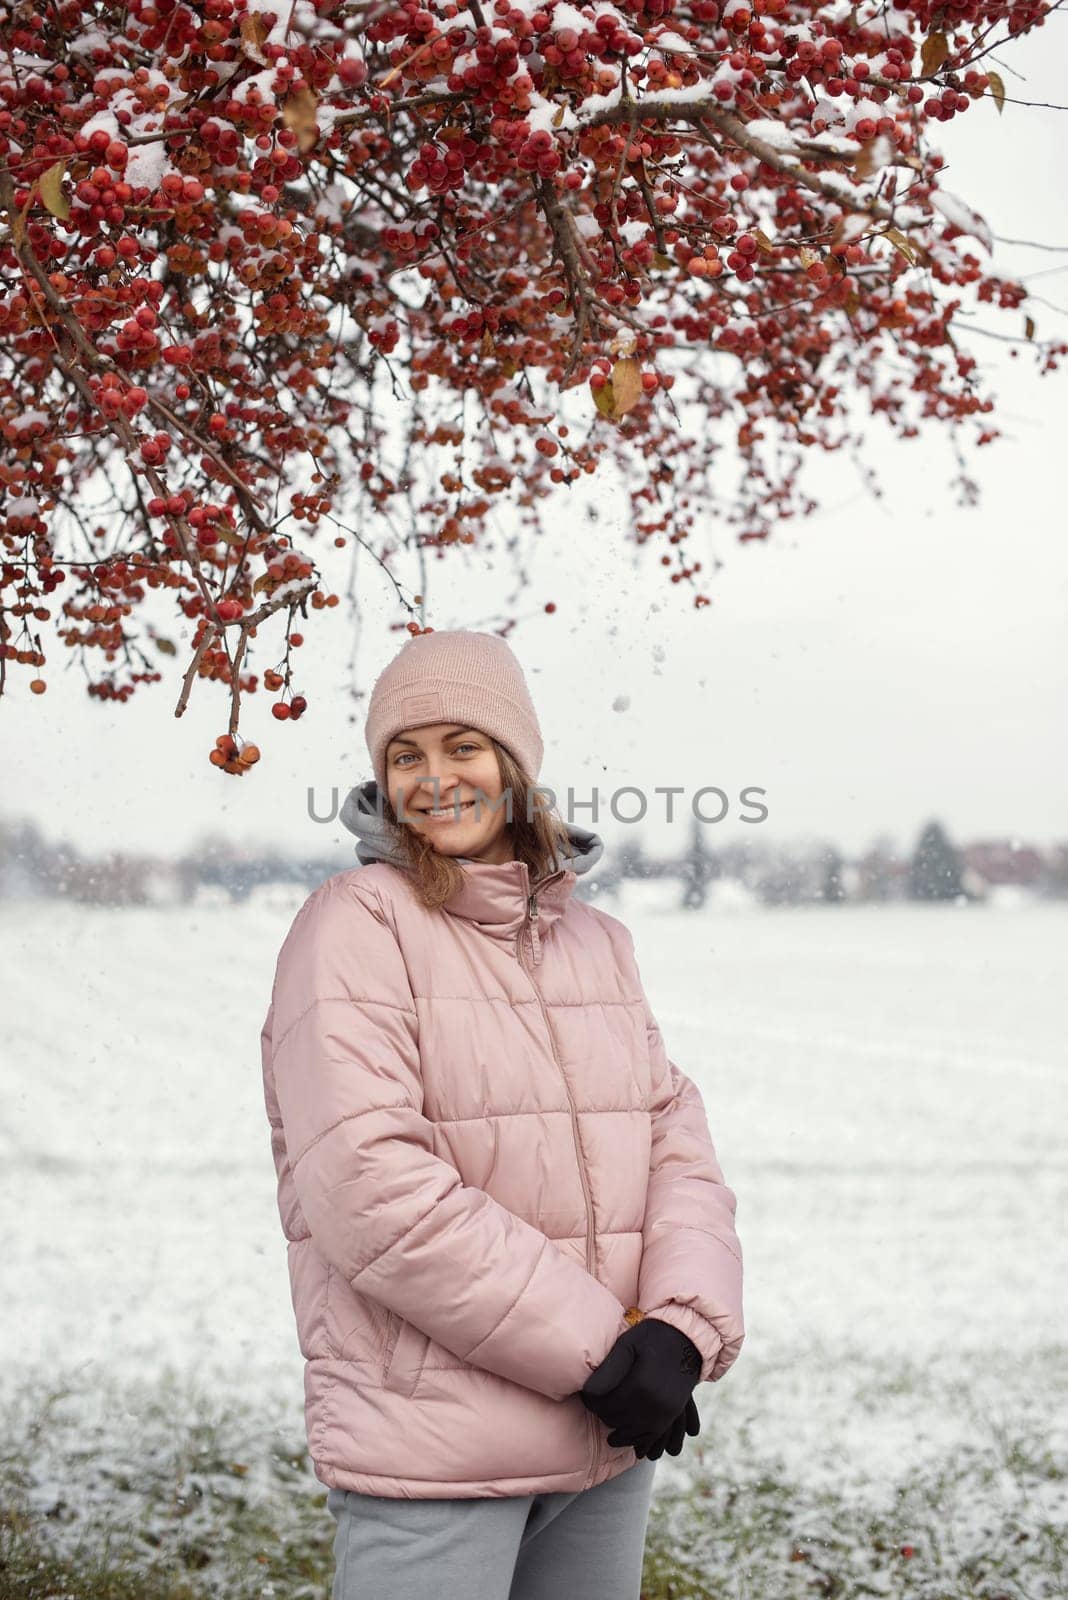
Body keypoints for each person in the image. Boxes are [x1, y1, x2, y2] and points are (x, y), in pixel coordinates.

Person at [260, 628, 745, 1600]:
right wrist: (601, 1349)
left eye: (463, 745)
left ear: (515, 766)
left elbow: (669, 1135)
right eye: (405, 754)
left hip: (605, 1442)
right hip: (436, 1448)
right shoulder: (357, 923)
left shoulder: (593, 940)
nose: (435, 777)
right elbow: (373, 1186)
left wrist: (682, 1329)